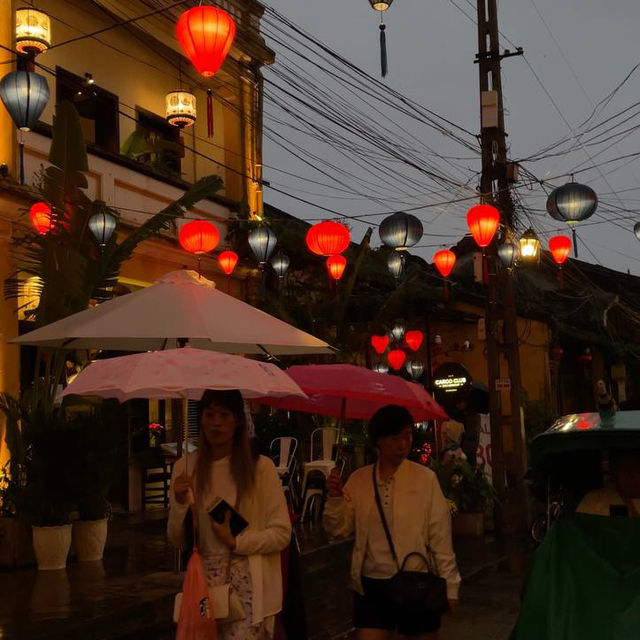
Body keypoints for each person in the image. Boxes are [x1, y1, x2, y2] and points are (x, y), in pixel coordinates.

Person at [324, 404, 461, 640]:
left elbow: (440, 537)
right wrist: (336, 500)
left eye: (407, 436)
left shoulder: (424, 479)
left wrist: (450, 586)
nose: (402, 444)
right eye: (394, 437)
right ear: (378, 441)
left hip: (415, 582)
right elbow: (339, 530)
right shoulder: (359, 480)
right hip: (372, 586)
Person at [168, 389, 292, 639]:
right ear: (200, 419)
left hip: (249, 584)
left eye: (224, 415)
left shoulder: (261, 468)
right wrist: (181, 503)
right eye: (210, 414)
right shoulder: (185, 468)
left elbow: (281, 533)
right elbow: (176, 540)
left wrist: (238, 542)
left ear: (238, 421)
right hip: (203, 584)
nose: (216, 422)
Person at [577, 449, 640, 517]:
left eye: (636, 467)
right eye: (625, 468)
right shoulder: (594, 501)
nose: (631, 474)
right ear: (614, 472)